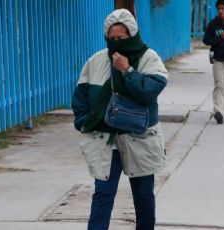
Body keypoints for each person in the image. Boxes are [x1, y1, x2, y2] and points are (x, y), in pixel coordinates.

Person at [72, 9, 168, 230]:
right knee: (103, 193)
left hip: (139, 137)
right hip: (106, 139)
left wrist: (127, 70)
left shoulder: (148, 58)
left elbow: (149, 91)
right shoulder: (96, 61)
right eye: (112, 38)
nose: (116, 43)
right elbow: (80, 98)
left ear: (132, 35)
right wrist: (87, 122)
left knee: (143, 196)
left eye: (122, 38)